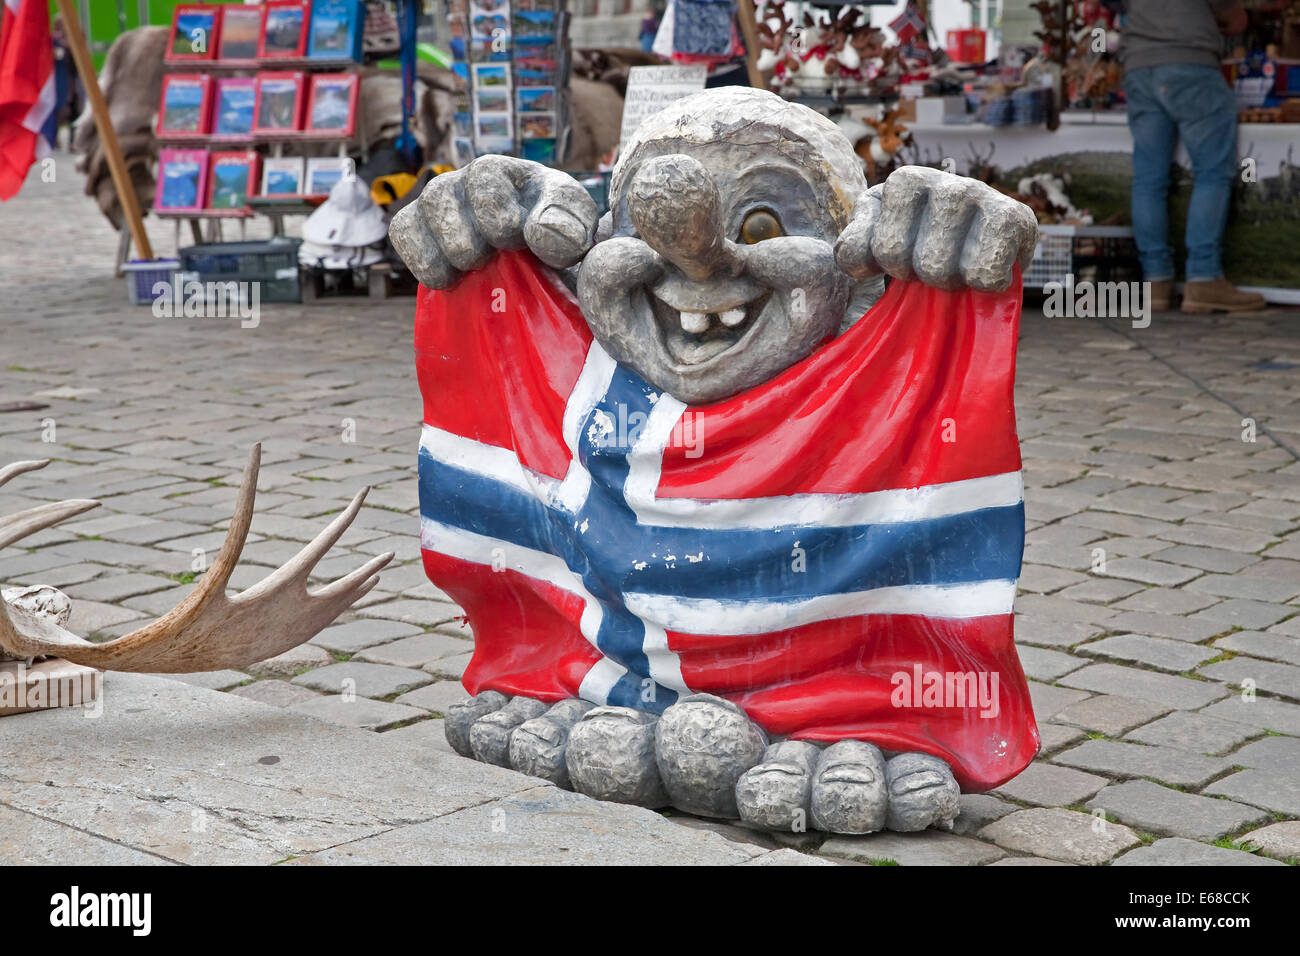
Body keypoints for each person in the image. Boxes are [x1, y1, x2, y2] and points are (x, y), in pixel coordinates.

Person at [1120, 0, 1266, 313]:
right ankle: (1203, 277)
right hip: (1189, 60)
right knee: (1212, 172)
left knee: (1148, 179)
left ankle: (1155, 282)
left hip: (1139, 63)